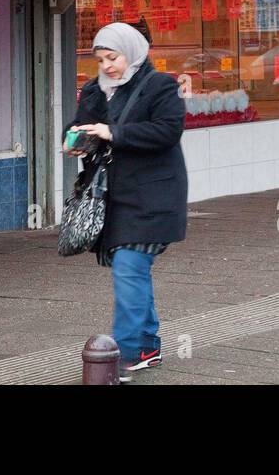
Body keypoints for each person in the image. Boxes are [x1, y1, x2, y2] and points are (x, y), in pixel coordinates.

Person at [64, 22, 187, 383]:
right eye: (101, 59)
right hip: (111, 197)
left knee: (129, 268)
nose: (107, 66)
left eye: (113, 57)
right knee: (132, 270)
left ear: (132, 52)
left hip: (153, 196)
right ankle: (147, 347)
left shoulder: (160, 86)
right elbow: (81, 126)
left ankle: (127, 352)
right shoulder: (93, 90)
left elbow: (168, 131)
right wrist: (75, 141)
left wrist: (114, 132)